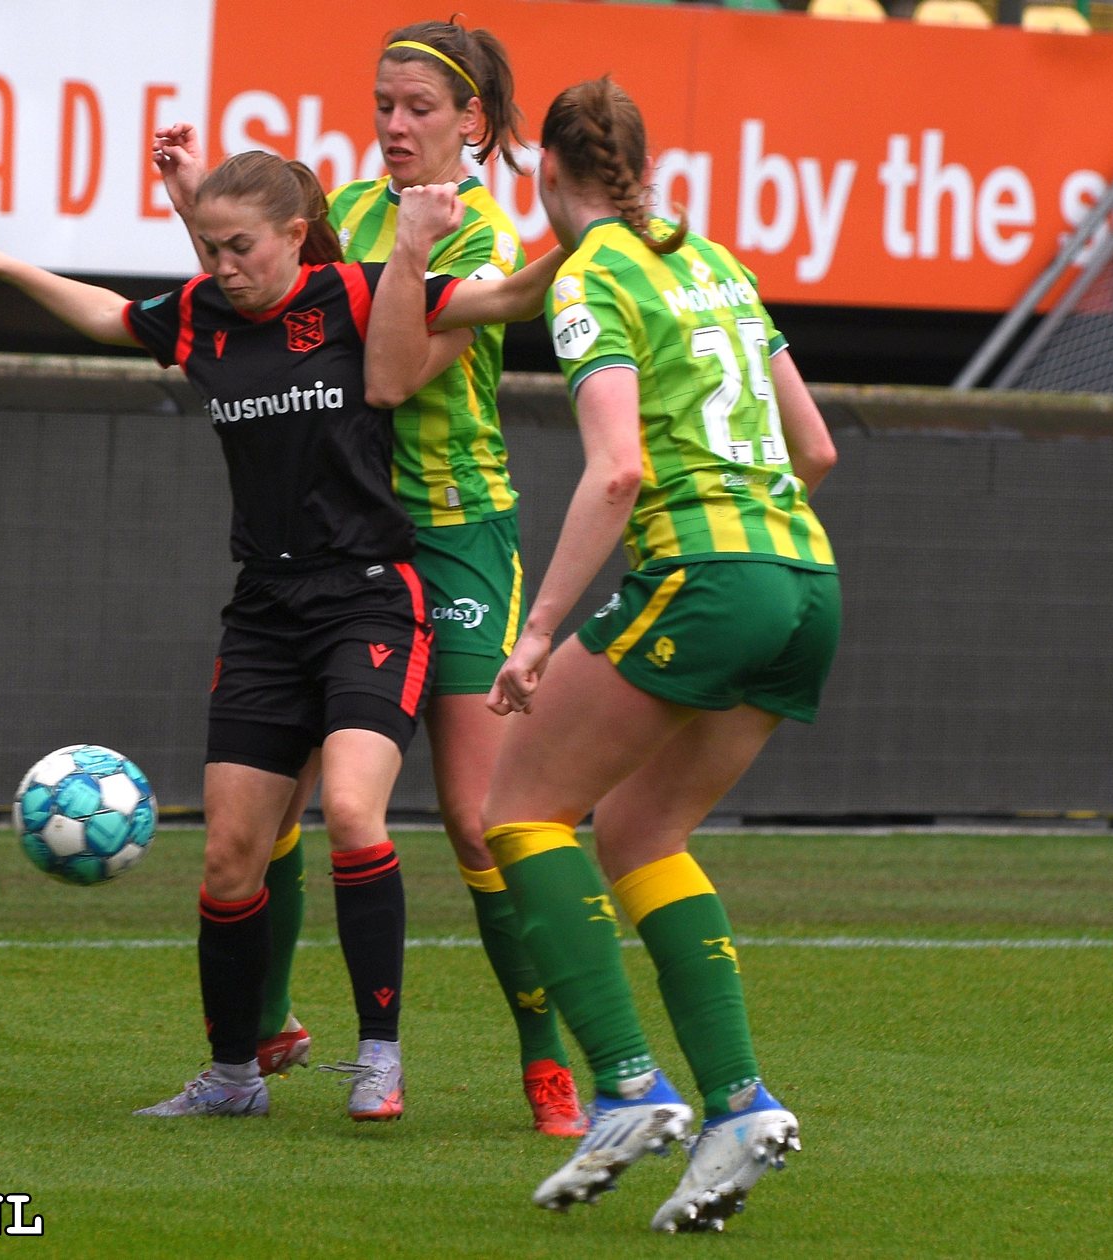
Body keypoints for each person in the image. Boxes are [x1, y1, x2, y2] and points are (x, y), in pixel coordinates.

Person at [0, 152, 558, 1123]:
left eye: (239, 246)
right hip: (268, 614)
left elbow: (508, 300)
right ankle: (233, 1075)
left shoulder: (359, 293)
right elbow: (112, 316)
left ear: (292, 233)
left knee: (355, 816)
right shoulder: (203, 314)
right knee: (231, 853)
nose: (223, 265)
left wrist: (588, 234)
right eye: (207, 246)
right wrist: (10, 268)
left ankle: (379, 1056)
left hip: (370, 600)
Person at [371, 76, 839, 1233]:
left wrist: (535, 636)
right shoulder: (715, 260)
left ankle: (627, 1087)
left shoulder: (594, 278)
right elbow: (814, 445)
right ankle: (740, 1104)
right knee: (639, 833)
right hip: (808, 582)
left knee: (515, 810)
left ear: (545, 173)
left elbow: (618, 471)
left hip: (706, 575)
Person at [152, 18, 586, 1139]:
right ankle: (271, 1025)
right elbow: (258, 282)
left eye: (418, 110)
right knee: (273, 799)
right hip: (344, 547)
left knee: (479, 820)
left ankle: (547, 1062)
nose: (392, 126)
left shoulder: (477, 231)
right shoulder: (343, 203)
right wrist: (199, 200)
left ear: (473, 123)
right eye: (382, 104)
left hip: (451, 540)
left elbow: (389, 377)